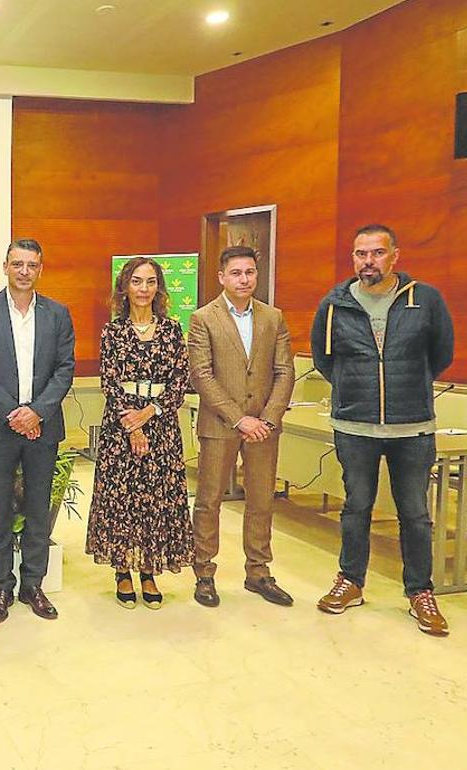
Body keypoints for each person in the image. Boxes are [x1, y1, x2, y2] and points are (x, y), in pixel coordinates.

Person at [311, 224, 455, 636]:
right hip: (354, 425)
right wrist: (354, 391)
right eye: (360, 254)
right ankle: (351, 581)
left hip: (412, 426)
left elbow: (441, 353)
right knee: (356, 507)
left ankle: (419, 593)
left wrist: (403, 388)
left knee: (415, 513)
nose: (367, 261)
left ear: (395, 256)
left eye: (376, 253)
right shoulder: (335, 303)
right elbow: (324, 358)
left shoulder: (424, 300)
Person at [0, 238, 75, 623]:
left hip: (42, 429)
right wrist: (14, 413)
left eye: (32, 265)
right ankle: (1, 586)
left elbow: (65, 369)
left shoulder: (58, 314)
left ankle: (33, 584)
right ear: (5, 266)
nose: (24, 271)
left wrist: (37, 413)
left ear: (40, 269)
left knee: (37, 510)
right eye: (18, 264)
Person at [187, 246, 295, 608]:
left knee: (261, 501)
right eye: (236, 273)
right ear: (222, 277)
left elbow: (284, 371)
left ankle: (259, 573)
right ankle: (204, 573)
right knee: (209, 501)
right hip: (221, 424)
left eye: (249, 272)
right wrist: (239, 418)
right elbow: (202, 375)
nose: (244, 279)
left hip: (264, 427)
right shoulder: (204, 318)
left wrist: (268, 418)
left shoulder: (273, 317)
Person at [85, 256, 193, 608]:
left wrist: (149, 413)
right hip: (120, 430)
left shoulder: (173, 330)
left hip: (162, 428)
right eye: (136, 281)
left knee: (155, 500)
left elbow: (180, 380)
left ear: (158, 287)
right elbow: (110, 382)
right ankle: (122, 569)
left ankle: (148, 569)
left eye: (150, 282)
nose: (143, 289)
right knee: (123, 500)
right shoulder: (112, 331)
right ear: (124, 287)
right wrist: (131, 425)